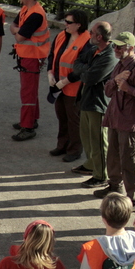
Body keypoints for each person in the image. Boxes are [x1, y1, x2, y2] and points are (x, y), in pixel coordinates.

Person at [93, 31, 135, 210]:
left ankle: (134, 199)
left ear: (131, 48)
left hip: (129, 122)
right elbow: (107, 90)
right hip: (116, 118)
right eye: (115, 46)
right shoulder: (120, 65)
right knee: (113, 157)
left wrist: (128, 88)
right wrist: (116, 81)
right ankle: (114, 186)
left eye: (120, 47)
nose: (116, 49)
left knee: (131, 161)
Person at [70, 21, 116, 188]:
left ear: (99, 36)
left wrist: (86, 70)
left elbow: (90, 78)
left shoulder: (109, 56)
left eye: (91, 32)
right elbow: (76, 65)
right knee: (87, 138)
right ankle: (91, 165)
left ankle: (101, 175)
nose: (88, 34)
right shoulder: (93, 50)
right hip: (86, 100)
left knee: (98, 141)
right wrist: (87, 69)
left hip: (98, 104)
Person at [47, 9, 90, 162]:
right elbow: (53, 55)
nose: (65, 24)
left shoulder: (87, 42)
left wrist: (65, 81)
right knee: (61, 115)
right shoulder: (62, 36)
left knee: (73, 119)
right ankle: (62, 145)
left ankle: (75, 149)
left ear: (79, 25)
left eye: (69, 22)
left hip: (74, 87)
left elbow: (83, 67)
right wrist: (50, 73)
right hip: (58, 85)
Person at [9, 0, 51, 141]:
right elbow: (13, 27)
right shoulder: (27, 9)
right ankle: (32, 120)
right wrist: (19, 30)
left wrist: (18, 31)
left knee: (28, 91)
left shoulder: (35, 14)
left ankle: (27, 127)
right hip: (28, 55)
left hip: (33, 56)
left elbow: (18, 35)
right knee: (30, 90)